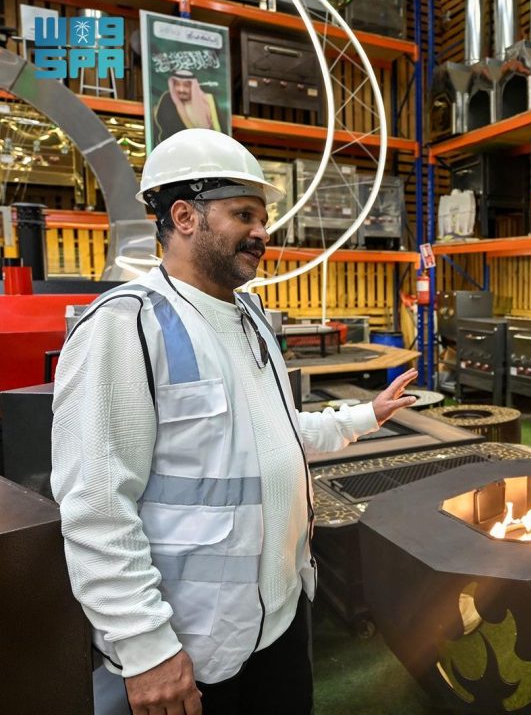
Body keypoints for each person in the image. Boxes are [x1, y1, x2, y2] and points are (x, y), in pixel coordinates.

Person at [51, 128, 418, 715]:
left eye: (263, 218)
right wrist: (145, 647)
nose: (262, 232)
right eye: (243, 214)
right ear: (184, 216)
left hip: (280, 617)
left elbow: (273, 435)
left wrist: (363, 416)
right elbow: (96, 505)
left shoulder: (249, 317)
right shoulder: (125, 326)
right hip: (194, 644)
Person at [153, 70, 223, 143]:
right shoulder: (167, 99)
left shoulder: (208, 101)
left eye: (186, 85)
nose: (181, 90)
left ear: (193, 86)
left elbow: (220, 129)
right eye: (177, 85)